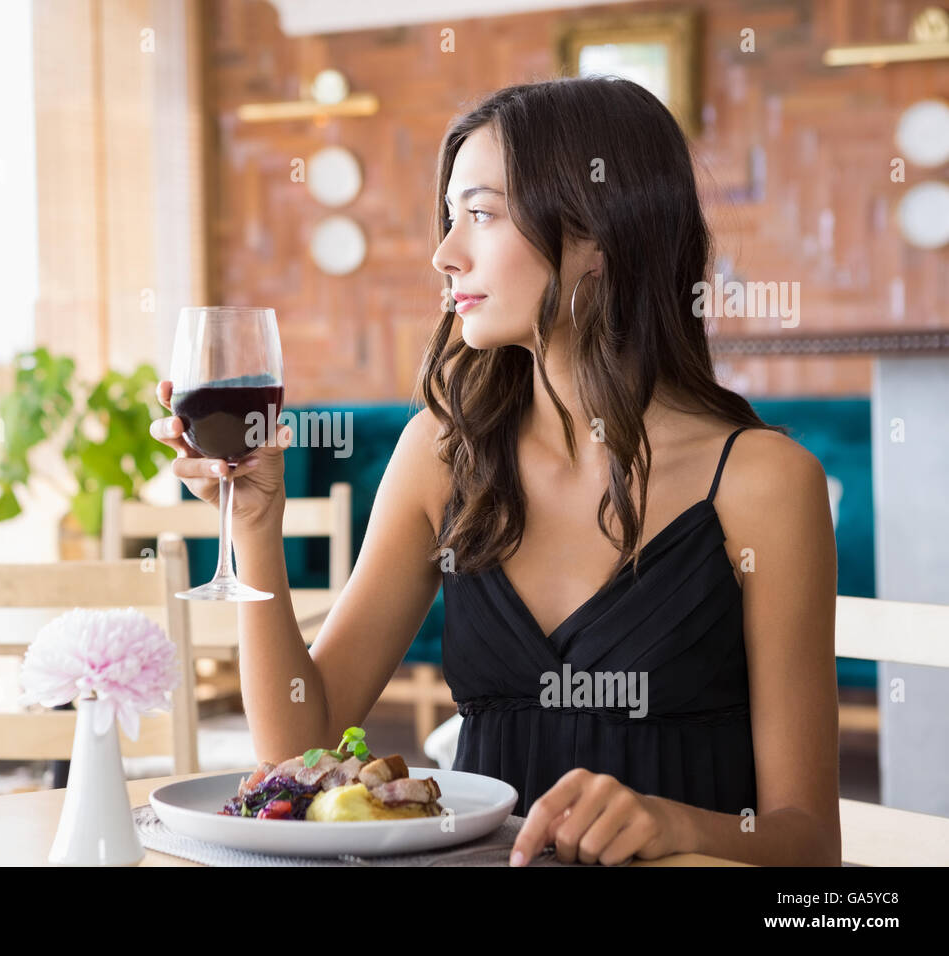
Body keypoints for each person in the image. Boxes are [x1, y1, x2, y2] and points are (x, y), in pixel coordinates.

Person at [150, 77, 840, 867]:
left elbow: (809, 843)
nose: (445, 254)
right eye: (449, 219)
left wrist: (676, 825)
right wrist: (253, 528)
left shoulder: (764, 484)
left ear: (597, 236)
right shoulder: (442, 455)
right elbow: (295, 750)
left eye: (479, 215)